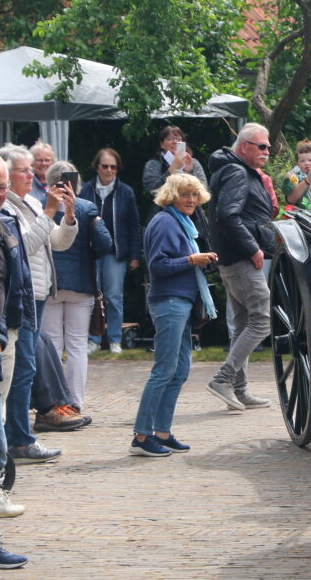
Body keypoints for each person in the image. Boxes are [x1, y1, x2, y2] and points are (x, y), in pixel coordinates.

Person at [0, 145, 78, 458]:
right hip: (21, 298)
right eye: (24, 170)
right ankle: (18, 439)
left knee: (24, 368)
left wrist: (67, 214)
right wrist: (48, 211)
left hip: (39, 294)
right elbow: (26, 246)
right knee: (21, 369)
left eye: (32, 169)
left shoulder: (30, 201)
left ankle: (16, 437)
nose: (32, 174)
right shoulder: (8, 208)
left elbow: (57, 241)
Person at [131, 173, 217, 456]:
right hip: (168, 302)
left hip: (180, 301)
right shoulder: (166, 222)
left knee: (180, 369)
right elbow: (158, 266)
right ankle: (142, 437)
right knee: (164, 369)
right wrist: (192, 259)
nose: (191, 200)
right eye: (185, 194)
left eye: (194, 195)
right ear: (172, 196)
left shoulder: (182, 222)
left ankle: (162, 432)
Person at [205, 123, 274, 411]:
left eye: (269, 147)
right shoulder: (236, 171)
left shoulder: (235, 170)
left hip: (233, 258)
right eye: (262, 147)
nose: (268, 152)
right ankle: (223, 379)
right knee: (262, 320)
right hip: (241, 258)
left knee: (243, 323)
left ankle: (240, 389)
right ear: (244, 146)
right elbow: (227, 215)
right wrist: (253, 248)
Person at [40, 161, 113, 409]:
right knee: (77, 345)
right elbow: (105, 244)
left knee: (52, 344)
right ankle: (76, 402)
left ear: (49, 183)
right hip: (81, 285)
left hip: (51, 285)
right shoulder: (86, 207)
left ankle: (53, 403)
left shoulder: (39, 207)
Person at [0, 156, 30, 567]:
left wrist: (5, 335)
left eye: (3, 186)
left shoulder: (4, 227)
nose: (0, 195)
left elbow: (8, 285)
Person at [79, 148, 142, 355]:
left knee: (114, 296)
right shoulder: (85, 190)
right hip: (89, 253)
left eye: (113, 167)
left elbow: (134, 225)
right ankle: (93, 339)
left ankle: (115, 339)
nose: (109, 170)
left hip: (117, 253)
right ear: (97, 167)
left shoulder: (126, 192)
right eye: (105, 166)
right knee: (91, 297)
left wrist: (135, 254)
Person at [142, 125, 209, 205]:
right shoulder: (154, 164)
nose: (175, 142)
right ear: (162, 144)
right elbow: (151, 190)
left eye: (179, 139)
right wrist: (172, 170)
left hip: (192, 213)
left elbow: (203, 191)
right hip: (163, 211)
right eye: (169, 139)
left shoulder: (193, 163)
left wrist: (189, 172)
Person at [280, 139, 311, 215]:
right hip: (302, 212)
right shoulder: (296, 175)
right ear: (298, 163)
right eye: (302, 161)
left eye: (310, 160)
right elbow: (287, 191)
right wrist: (287, 180)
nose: (306, 163)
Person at [28, 141, 55, 206]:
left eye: (47, 160)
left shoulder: (58, 182)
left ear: (53, 162)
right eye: (39, 160)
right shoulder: (27, 183)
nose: (43, 163)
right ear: (32, 163)